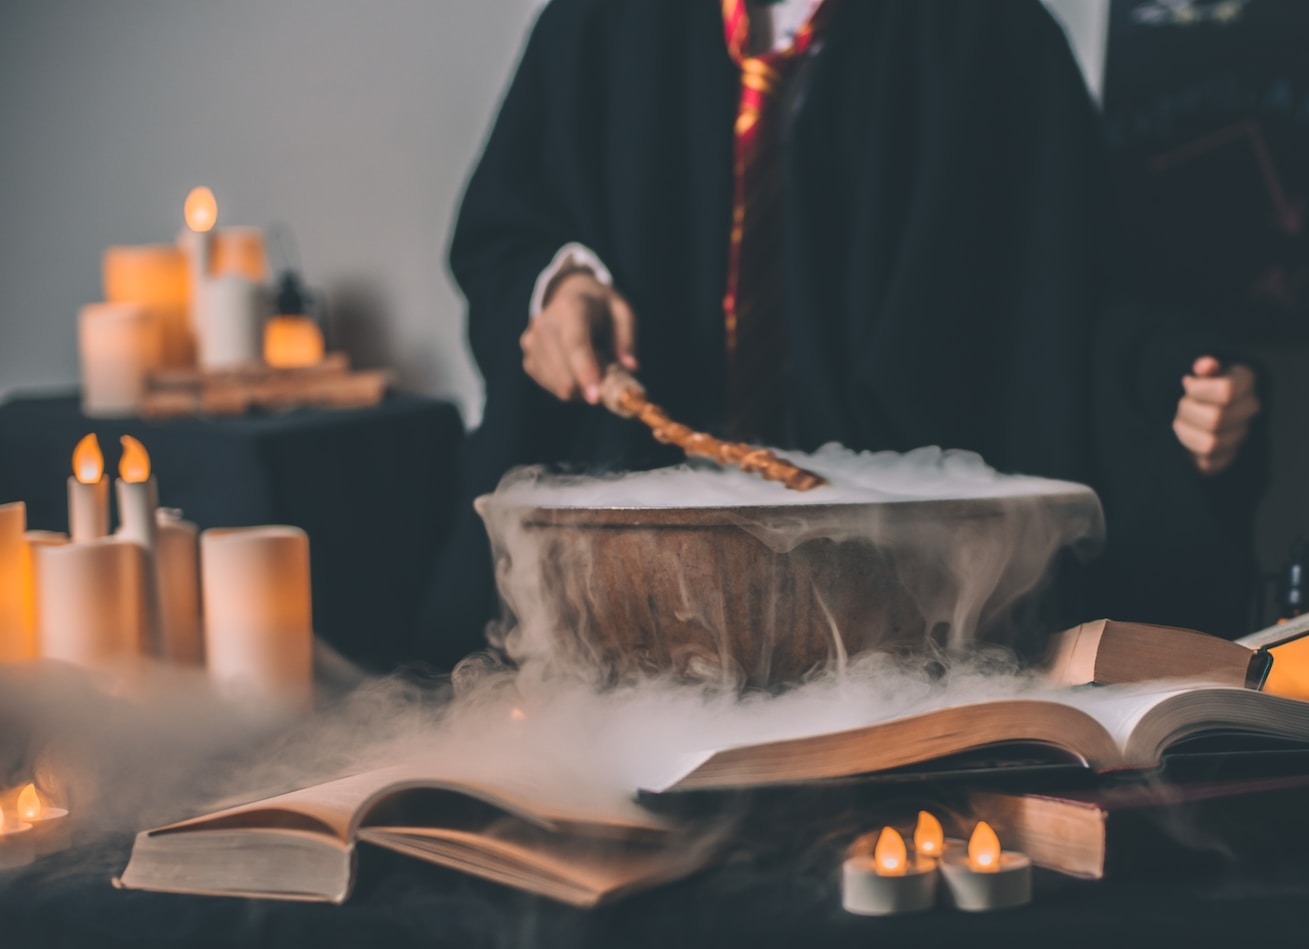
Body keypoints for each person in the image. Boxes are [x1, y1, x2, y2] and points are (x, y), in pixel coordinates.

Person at [417, 0, 1265, 667]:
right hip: (640, 591)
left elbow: (1079, 291)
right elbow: (506, 235)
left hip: (906, 590)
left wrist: (1167, 389)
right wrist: (558, 287)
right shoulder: (597, 28)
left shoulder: (994, 37)